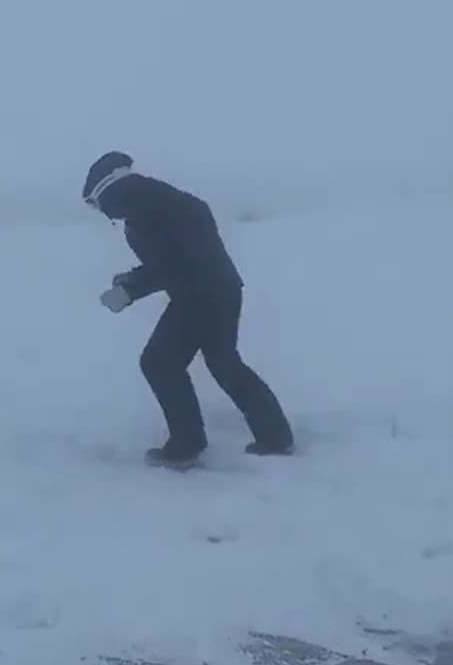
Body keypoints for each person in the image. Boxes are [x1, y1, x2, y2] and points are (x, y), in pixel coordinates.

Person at [83, 151, 296, 466]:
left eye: (97, 204)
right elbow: (171, 261)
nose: (103, 214)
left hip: (202, 296)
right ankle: (274, 436)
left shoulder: (155, 210)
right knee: (223, 363)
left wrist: (132, 289)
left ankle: (187, 444)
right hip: (214, 291)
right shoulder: (153, 206)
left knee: (159, 362)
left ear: (110, 191)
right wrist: (133, 280)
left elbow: (178, 263)